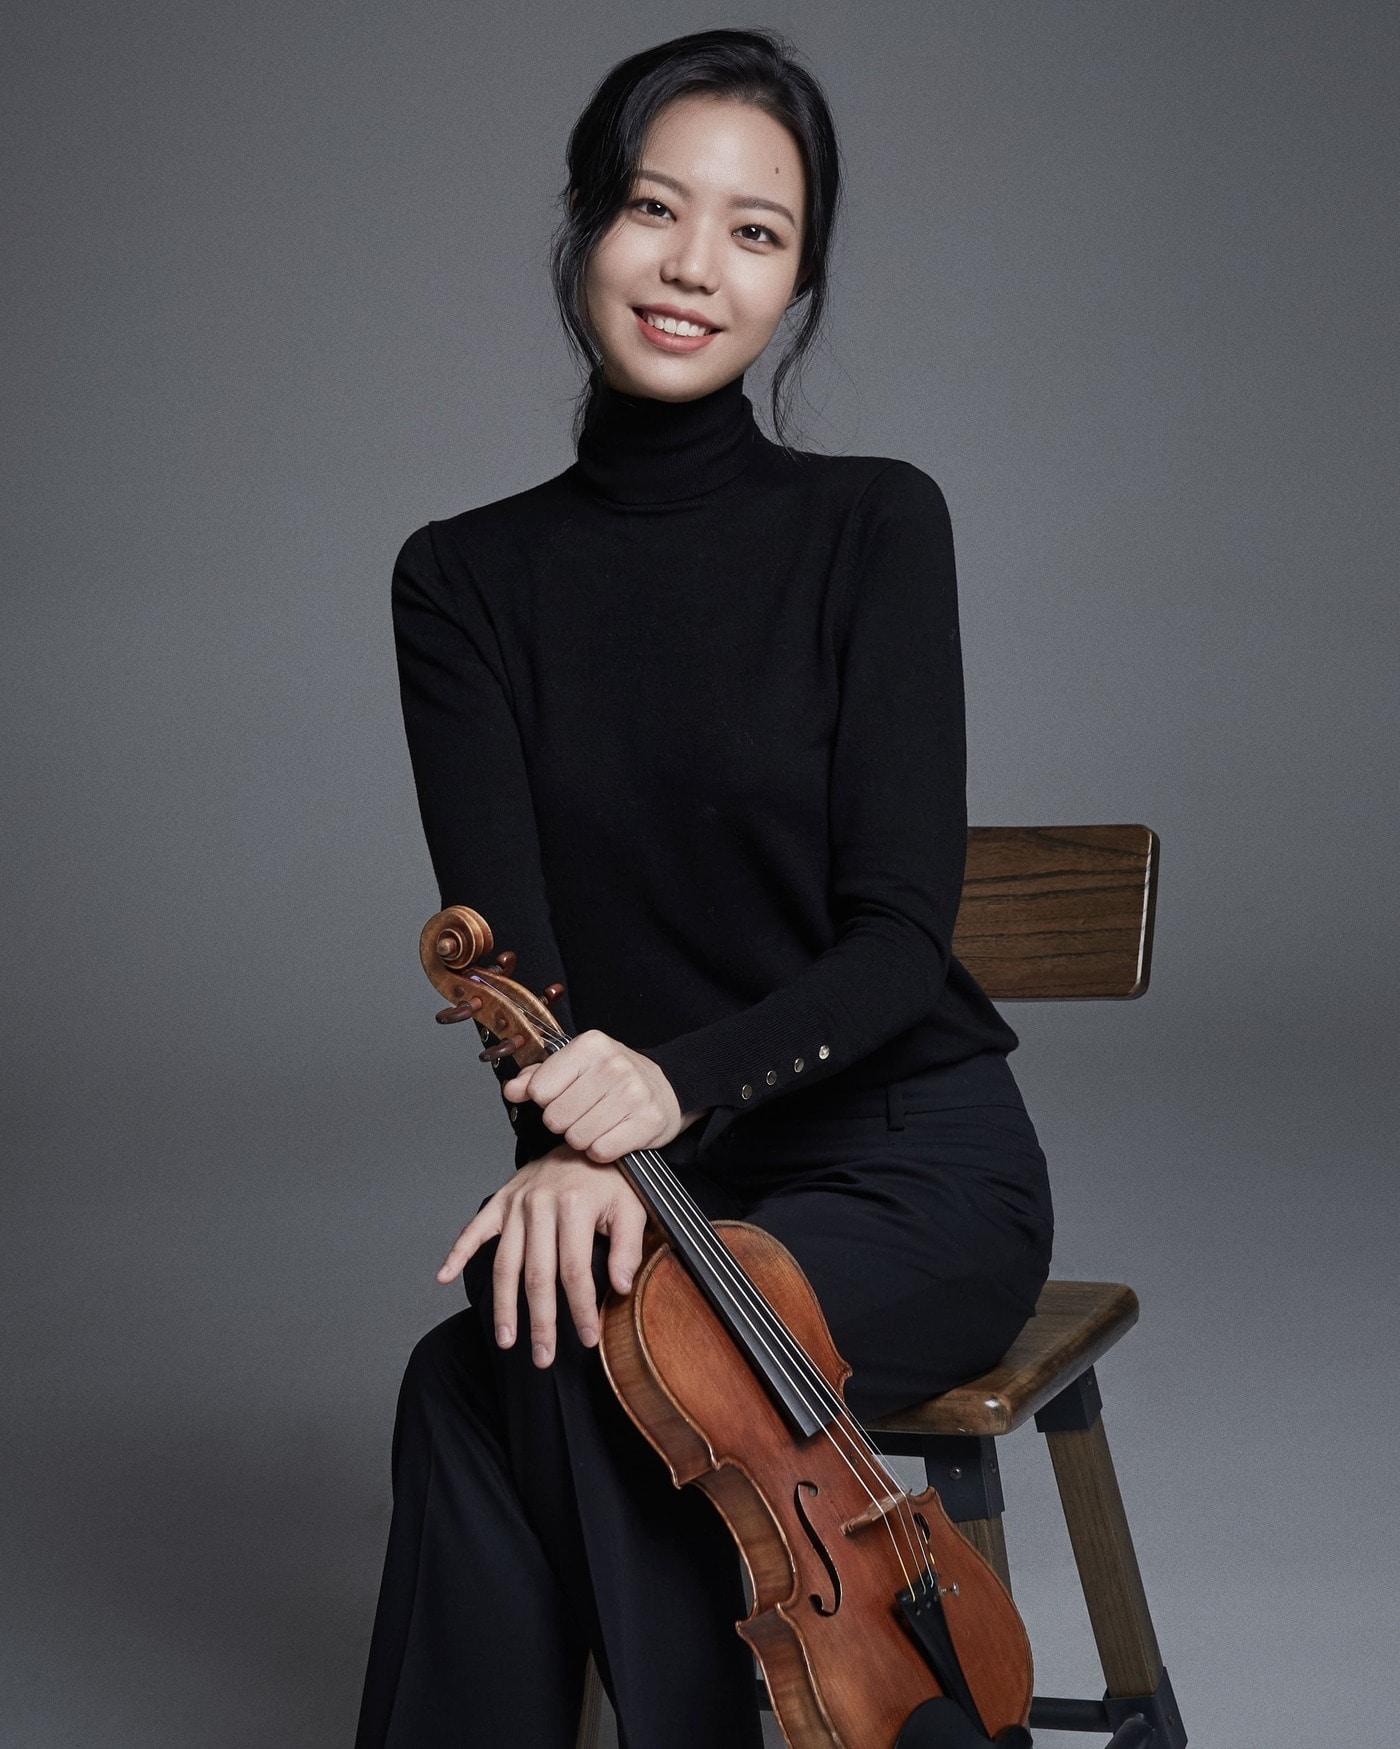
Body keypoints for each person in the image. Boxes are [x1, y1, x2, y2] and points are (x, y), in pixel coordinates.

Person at [354, 27, 1054, 1749]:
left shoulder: (875, 526)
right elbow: (517, 975)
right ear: (587, 222)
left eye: (755, 232)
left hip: (907, 1165)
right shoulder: (462, 581)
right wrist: (572, 1155)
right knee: (472, 1376)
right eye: (656, 209)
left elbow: (899, 940)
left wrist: (659, 1096)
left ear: (798, 282)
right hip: (662, 1196)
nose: (692, 266)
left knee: (599, 1371)